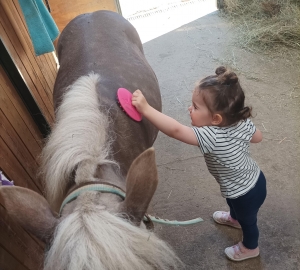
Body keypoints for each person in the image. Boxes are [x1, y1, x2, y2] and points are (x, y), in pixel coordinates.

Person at [132, 66, 267, 262]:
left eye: (195, 107)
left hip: (244, 192)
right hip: (255, 178)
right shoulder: (241, 122)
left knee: (249, 221)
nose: (189, 109)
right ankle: (234, 219)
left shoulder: (211, 135)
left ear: (216, 119)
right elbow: (258, 138)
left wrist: (146, 109)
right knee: (234, 204)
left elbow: (176, 130)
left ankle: (250, 247)